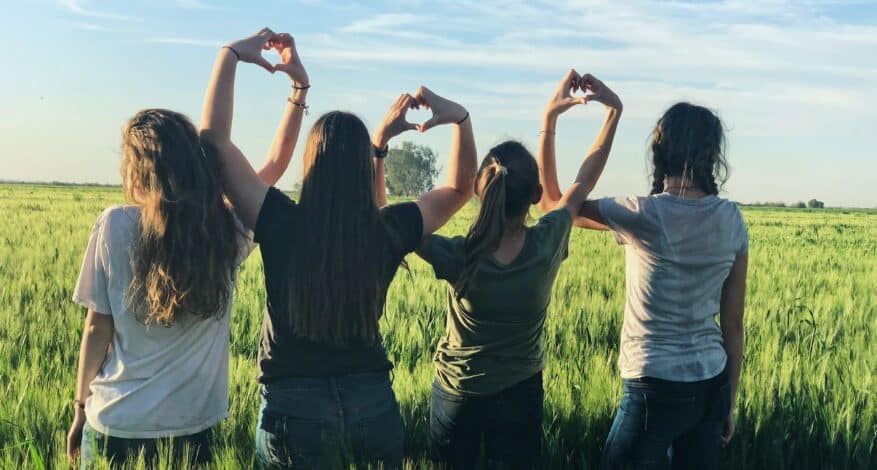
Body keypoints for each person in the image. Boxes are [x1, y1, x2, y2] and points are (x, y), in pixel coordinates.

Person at [199, 28, 478, 469]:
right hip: (373, 407)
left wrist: (231, 54)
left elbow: (213, 142)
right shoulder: (387, 230)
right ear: (361, 169)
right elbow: (460, 187)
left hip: (292, 411)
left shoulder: (279, 220)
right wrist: (459, 118)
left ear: (311, 164)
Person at [65, 40, 307, 468]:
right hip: (192, 430)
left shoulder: (114, 225)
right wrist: (297, 90)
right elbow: (273, 165)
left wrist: (80, 407)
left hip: (115, 425)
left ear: (136, 171)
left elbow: (95, 329)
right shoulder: (224, 231)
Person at [407, 70, 621, 469]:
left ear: (477, 191)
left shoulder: (460, 255)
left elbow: (400, 227)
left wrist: (382, 145)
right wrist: (605, 113)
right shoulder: (547, 241)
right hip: (520, 396)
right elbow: (583, 179)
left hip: (458, 397)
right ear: (537, 195)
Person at [539, 97, 748, 469]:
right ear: (712, 155)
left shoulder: (643, 213)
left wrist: (551, 119)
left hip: (653, 387)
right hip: (710, 386)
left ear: (659, 151)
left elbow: (554, 205)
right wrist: (727, 402)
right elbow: (733, 324)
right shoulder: (732, 219)